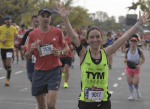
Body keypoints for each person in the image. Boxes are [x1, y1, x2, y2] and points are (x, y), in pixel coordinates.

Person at [55, 2, 150, 109]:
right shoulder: (83, 53)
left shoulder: (106, 52)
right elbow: (72, 36)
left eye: (97, 37)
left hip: (103, 102)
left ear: (102, 38)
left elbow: (124, 37)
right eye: (92, 37)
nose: (95, 40)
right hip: (86, 103)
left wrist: (139, 23)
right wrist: (65, 19)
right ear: (87, 40)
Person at [24, 8, 69, 109]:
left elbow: (67, 48)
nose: (45, 18)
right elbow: (26, 56)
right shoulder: (31, 34)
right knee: (41, 106)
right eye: (43, 16)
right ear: (38, 18)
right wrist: (31, 50)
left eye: (47, 16)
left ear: (50, 18)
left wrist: (60, 52)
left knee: (51, 105)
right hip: (39, 72)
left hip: (54, 71)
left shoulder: (57, 31)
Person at [19, 14, 39, 109]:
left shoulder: (46, 33)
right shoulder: (28, 33)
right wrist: (28, 48)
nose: (36, 23)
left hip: (43, 60)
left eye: (38, 21)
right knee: (33, 82)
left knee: (42, 82)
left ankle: (41, 101)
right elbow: (21, 45)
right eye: (35, 21)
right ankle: (38, 101)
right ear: (32, 22)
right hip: (31, 60)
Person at [124, 34, 145, 100]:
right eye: (132, 41)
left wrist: (139, 65)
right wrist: (125, 60)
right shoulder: (127, 50)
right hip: (129, 67)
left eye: (134, 42)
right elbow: (125, 58)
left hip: (136, 68)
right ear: (130, 42)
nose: (133, 43)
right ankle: (131, 95)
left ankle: (137, 91)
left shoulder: (139, 51)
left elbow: (143, 59)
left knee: (136, 82)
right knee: (129, 81)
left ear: (137, 42)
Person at [0, 16, 19, 86]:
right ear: (5, 21)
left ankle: (8, 79)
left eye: (9, 19)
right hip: (3, 47)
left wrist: (17, 35)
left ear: (11, 20)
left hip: (10, 47)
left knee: (8, 62)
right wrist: (1, 40)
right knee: (5, 64)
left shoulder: (13, 28)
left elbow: (17, 34)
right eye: (7, 20)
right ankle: (8, 71)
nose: (8, 21)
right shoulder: (1, 28)